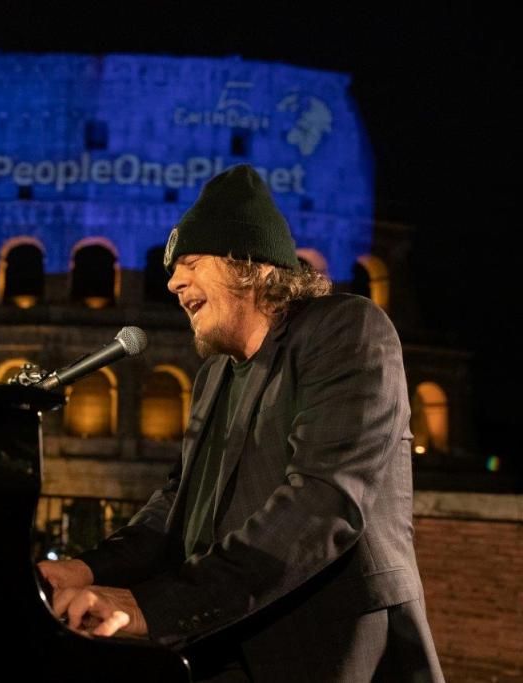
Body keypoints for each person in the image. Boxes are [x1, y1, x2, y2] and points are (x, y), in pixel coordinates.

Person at [38, 164, 443, 682]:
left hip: (329, 649)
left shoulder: (345, 329)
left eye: (191, 263)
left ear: (249, 265)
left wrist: (152, 607)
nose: (173, 282)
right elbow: (176, 510)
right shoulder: (214, 375)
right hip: (223, 638)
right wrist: (84, 569)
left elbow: (322, 503)